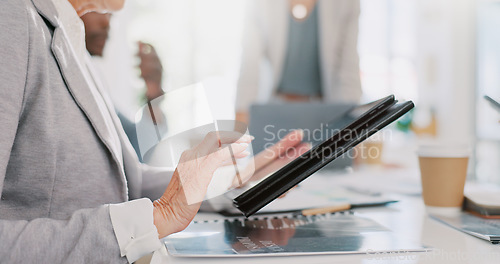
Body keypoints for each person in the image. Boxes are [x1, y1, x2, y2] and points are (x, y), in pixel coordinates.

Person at [0, 0, 307, 262]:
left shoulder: (71, 39)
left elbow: (128, 182)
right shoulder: (11, 18)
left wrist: (233, 178)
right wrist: (159, 216)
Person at [236, 0, 363, 123]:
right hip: (274, 111)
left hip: (326, 112)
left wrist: (355, 124)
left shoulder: (347, 2)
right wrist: (241, 120)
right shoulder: (259, 3)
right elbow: (249, 64)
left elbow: (349, 68)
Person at [81, 12, 165, 160]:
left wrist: (153, 91)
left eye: (111, 15)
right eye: (99, 7)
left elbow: (134, 150)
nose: (107, 23)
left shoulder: (92, 76)